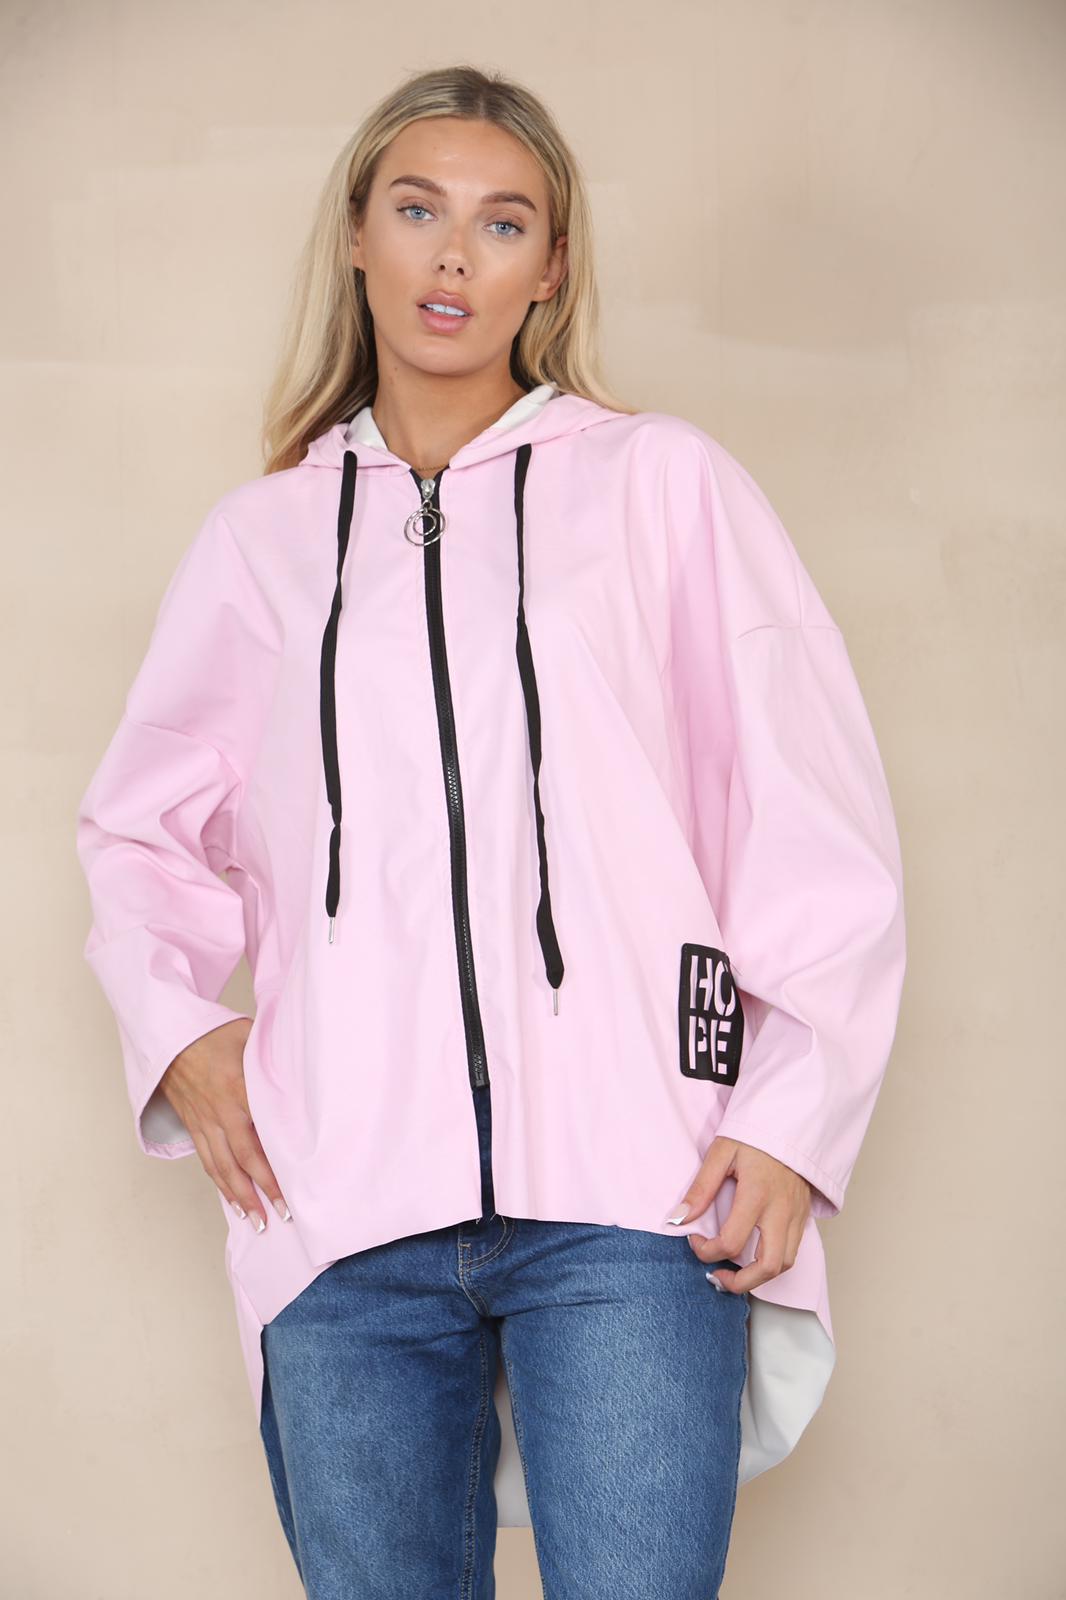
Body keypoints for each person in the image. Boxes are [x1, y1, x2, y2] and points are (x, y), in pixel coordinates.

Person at [74, 63, 906, 1599]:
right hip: (340, 1205)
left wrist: (791, 1113)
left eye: (502, 221)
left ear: (551, 268)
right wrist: (180, 1030)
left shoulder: (662, 486)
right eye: (418, 210)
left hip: (635, 1196)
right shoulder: (263, 541)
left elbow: (809, 812)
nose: (454, 255)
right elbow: (139, 833)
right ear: (356, 237)